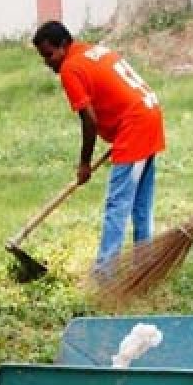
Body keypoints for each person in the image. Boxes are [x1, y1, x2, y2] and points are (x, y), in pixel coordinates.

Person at [31, 21, 166, 274]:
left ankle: (105, 273)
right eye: (43, 57)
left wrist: (84, 163)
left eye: (49, 55)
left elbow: (89, 120)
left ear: (63, 45)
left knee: (119, 203)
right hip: (149, 113)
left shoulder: (70, 68)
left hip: (135, 124)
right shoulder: (96, 50)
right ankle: (144, 266)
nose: (48, 62)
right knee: (140, 203)